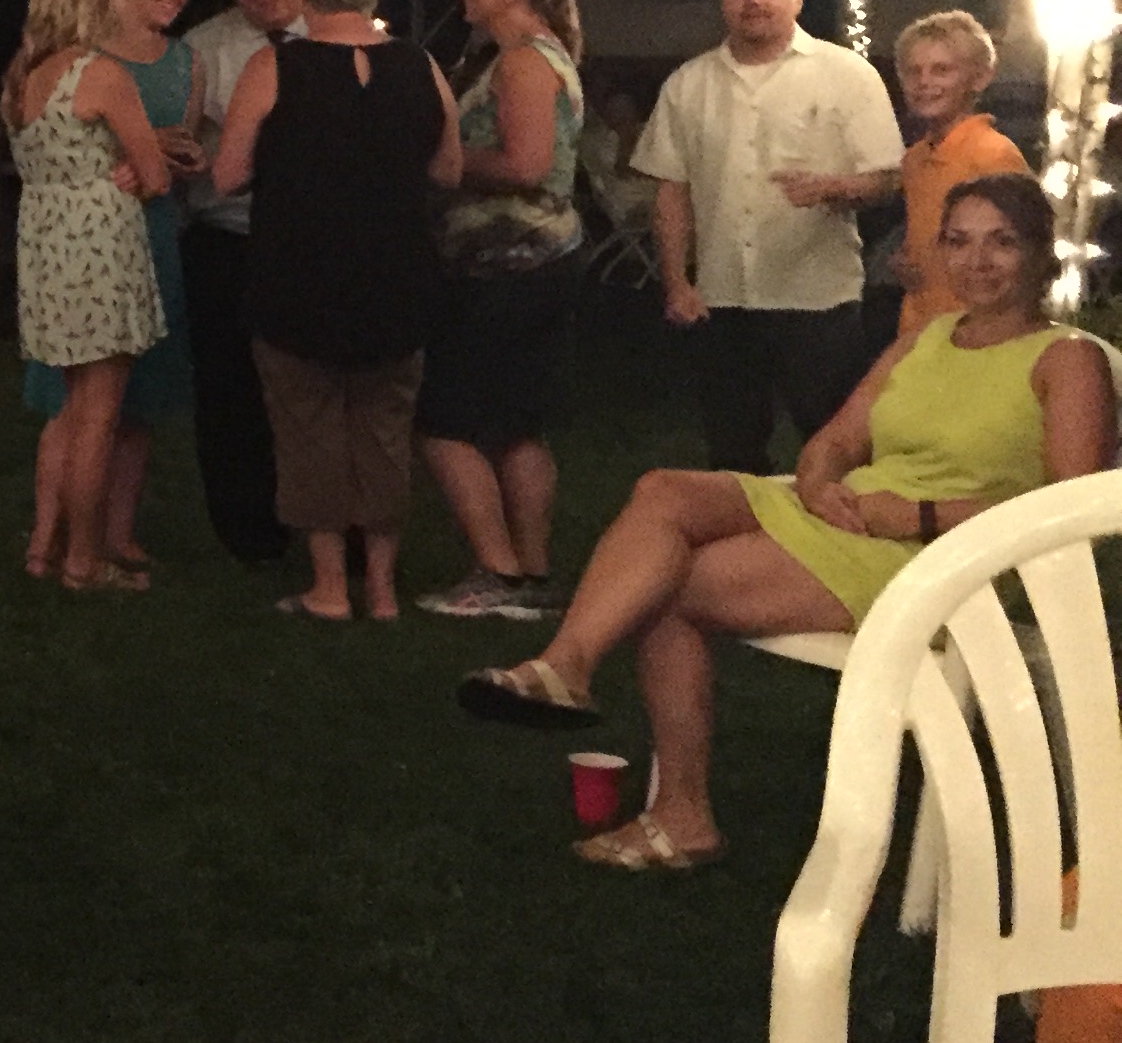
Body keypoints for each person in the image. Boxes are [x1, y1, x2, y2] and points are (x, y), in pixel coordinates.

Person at [457, 172, 1113, 869]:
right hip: (855, 513)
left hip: (950, 558)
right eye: (959, 241)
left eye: (1002, 242)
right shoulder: (927, 339)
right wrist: (819, 482)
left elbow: (1071, 508)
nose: (977, 261)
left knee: (669, 586)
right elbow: (837, 440)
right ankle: (566, 666)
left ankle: (681, 815)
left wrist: (921, 514)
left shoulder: (1066, 360)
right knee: (661, 490)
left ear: (1041, 254)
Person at [213, 0, 459, 621]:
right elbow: (448, 169)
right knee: (385, 429)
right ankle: (381, 588)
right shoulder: (420, 64)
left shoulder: (274, 68)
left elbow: (228, 175)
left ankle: (328, 586)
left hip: (299, 279)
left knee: (308, 430)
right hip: (397, 277)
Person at [631, 0, 903, 471]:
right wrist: (676, 282)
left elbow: (887, 178)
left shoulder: (847, 74)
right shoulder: (689, 83)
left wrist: (833, 187)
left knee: (835, 447)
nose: (754, 0)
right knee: (732, 450)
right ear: (724, 3)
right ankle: (745, 524)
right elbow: (671, 190)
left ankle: (836, 524)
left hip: (818, 297)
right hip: (722, 299)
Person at [414, 0, 590, 618]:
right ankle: (531, 574)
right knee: (517, 423)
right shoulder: (530, 55)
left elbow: (526, 164)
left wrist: (442, 158)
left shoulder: (523, 62)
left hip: (510, 267)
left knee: (445, 420)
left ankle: (495, 570)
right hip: (535, 264)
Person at [21, 0, 198, 579]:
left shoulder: (25, 73)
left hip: (46, 249)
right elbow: (155, 175)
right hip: (101, 253)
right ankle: (84, 559)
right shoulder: (101, 74)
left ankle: (44, 547)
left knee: (69, 411)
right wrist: (141, 160)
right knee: (100, 415)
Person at [181, 0, 306, 563]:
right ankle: (245, 528)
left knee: (310, 385)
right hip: (228, 236)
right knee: (229, 387)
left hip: (308, 242)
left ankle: (318, 515)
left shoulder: (335, 34)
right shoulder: (204, 48)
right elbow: (183, 141)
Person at [885, 10, 1029, 339]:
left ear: (979, 78)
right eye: (913, 72)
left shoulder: (993, 154)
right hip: (920, 326)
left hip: (977, 329)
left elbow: (1021, 253)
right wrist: (905, 259)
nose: (924, 82)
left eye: (942, 70)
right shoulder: (915, 159)